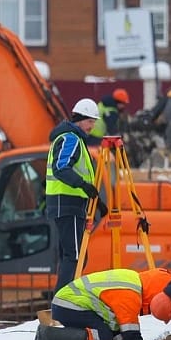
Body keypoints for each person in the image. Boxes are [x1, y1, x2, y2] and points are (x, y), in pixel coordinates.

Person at [36, 267, 171, 340]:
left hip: (69, 303)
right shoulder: (130, 294)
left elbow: (117, 326)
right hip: (70, 304)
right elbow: (130, 333)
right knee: (102, 337)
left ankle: (64, 335)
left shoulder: (133, 281)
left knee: (106, 333)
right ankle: (48, 336)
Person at [46, 98, 106, 292]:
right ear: (80, 119)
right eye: (90, 121)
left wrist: (96, 202)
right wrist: (83, 185)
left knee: (73, 255)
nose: (93, 125)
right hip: (67, 204)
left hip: (70, 204)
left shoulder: (75, 139)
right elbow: (61, 168)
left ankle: (62, 300)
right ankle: (63, 302)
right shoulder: (70, 138)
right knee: (75, 256)